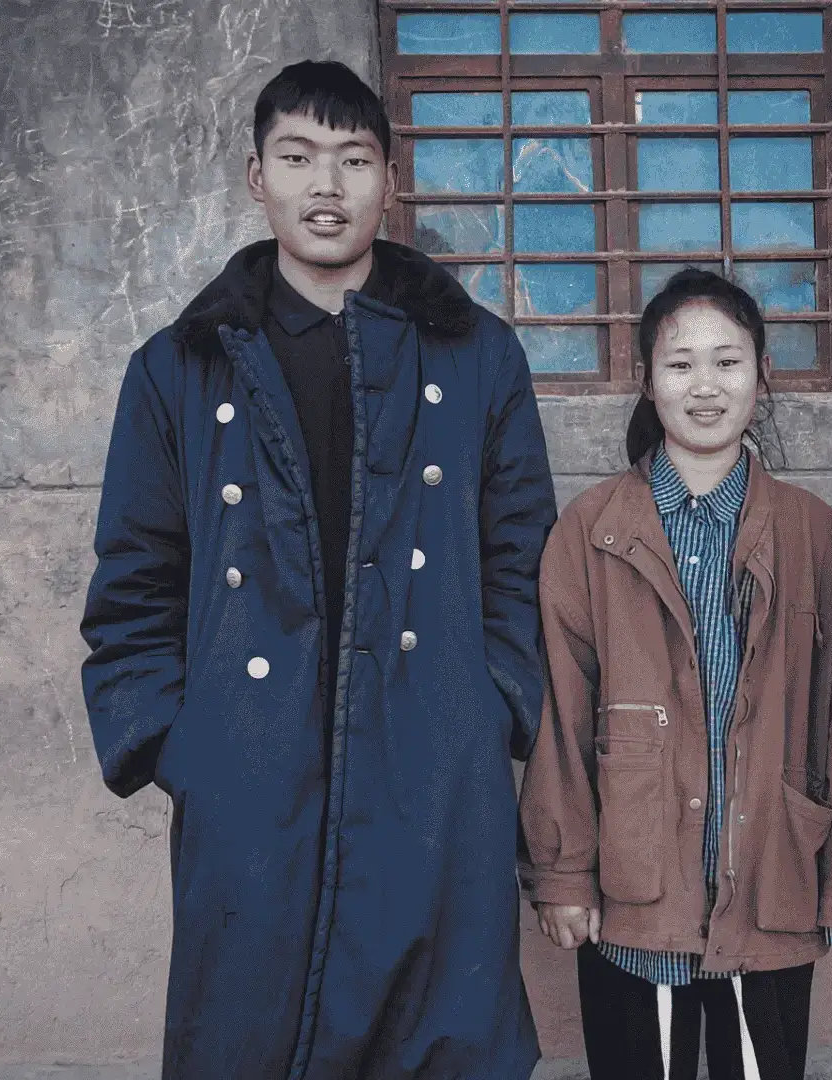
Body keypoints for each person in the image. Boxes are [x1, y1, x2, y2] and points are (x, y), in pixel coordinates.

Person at [78, 60, 555, 1079]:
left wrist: (492, 707)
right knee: (249, 1032)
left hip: (434, 762)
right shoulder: (179, 366)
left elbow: (522, 556)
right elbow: (135, 579)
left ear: (391, 180)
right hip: (251, 768)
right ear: (258, 177)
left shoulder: (476, 356)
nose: (326, 186)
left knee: (441, 1035)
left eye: (354, 159)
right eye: (297, 158)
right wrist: (180, 744)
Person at [519, 269, 832, 1080]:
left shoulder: (812, 534)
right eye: (680, 364)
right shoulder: (591, 530)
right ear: (647, 381)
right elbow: (559, 713)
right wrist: (563, 872)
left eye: (728, 362)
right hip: (634, 886)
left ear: (762, 375)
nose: (705, 387)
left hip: (771, 880)